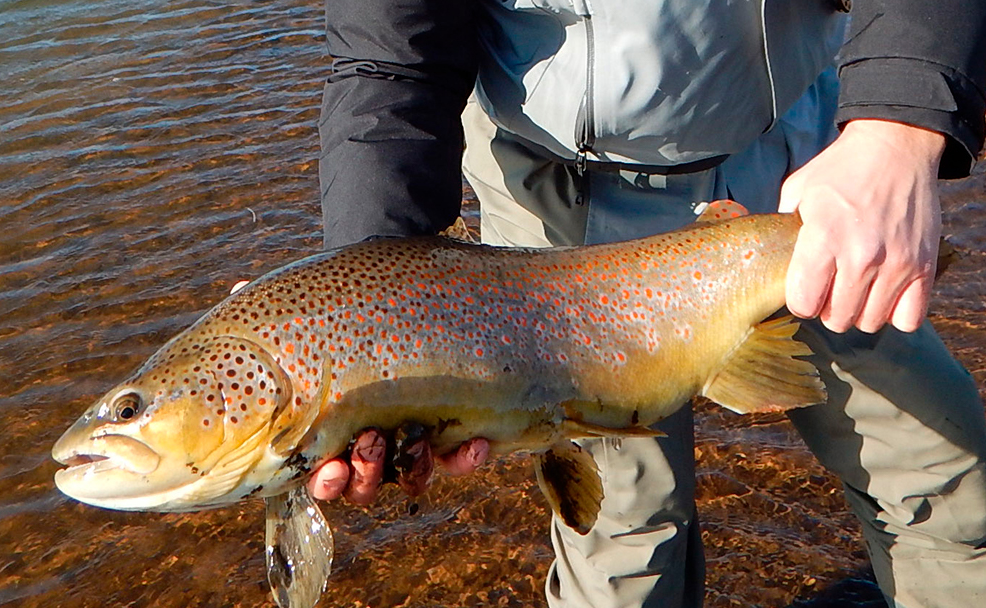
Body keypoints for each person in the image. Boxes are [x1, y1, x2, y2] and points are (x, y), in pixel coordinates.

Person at [309, 1, 986, 606]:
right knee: (624, 548)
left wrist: (896, 128)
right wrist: (373, 286)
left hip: (809, 166)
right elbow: (390, 61)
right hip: (556, 209)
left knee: (948, 481)